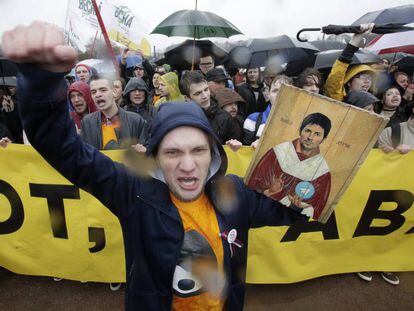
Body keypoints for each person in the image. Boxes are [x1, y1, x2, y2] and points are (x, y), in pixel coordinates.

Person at [3, 22, 308, 311]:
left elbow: (299, 206)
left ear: (213, 154)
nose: (188, 165)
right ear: (156, 157)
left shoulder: (236, 194)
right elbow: (63, 148)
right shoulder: (134, 193)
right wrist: (40, 80)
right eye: (173, 152)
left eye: (198, 150)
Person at [247, 113, 332, 219]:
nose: (310, 137)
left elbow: (317, 211)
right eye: (307, 131)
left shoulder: (322, 172)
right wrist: (269, 191)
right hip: (261, 214)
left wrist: (298, 208)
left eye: (317, 134)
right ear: (300, 130)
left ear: (324, 139)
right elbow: (252, 185)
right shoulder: (278, 153)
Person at [80, 75, 149, 150]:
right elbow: (84, 155)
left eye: (103, 90)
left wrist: (143, 150)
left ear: (114, 92)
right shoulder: (87, 123)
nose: (98, 95)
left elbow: (149, 152)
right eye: (93, 92)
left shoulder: (136, 121)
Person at [180, 71, 240, 145]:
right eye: (198, 93)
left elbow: (234, 151)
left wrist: (233, 146)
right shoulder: (181, 120)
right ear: (187, 98)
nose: (205, 96)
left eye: (206, 89)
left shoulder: (225, 117)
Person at [325, 24, 378, 102]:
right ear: (349, 82)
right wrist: (352, 45)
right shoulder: (340, 100)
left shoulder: (373, 103)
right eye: (363, 77)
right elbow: (335, 80)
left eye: (370, 79)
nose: (367, 81)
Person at [243, 75, 293, 147]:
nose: (279, 94)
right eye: (275, 91)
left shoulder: (300, 123)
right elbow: (244, 152)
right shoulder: (253, 119)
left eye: (285, 91)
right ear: (269, 94)